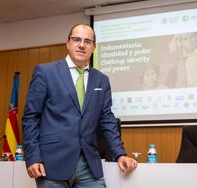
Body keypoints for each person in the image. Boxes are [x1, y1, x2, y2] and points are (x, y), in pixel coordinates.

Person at [22, 23, 137, 188]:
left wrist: (120, 154)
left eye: (88, 41)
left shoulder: (101, 80)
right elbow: (31, 117)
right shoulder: (45, 72)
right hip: (51, 164)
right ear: (68, 43)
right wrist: (33, 157)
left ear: (94, 47)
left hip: (89, 165)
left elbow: (106, 120)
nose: (82, 45)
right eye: (77, 39)